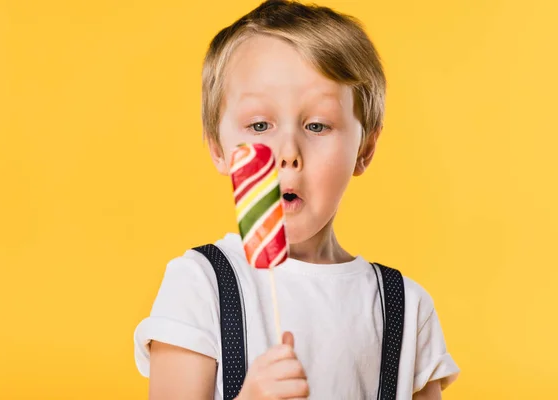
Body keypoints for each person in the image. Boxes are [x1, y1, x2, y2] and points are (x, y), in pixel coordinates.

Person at [133, 1, 460, 398]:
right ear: (218, 148)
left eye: (317, 125)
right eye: (259, 125)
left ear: (365, 149)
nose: (287, 150)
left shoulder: (407, 310)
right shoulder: (201, 285)